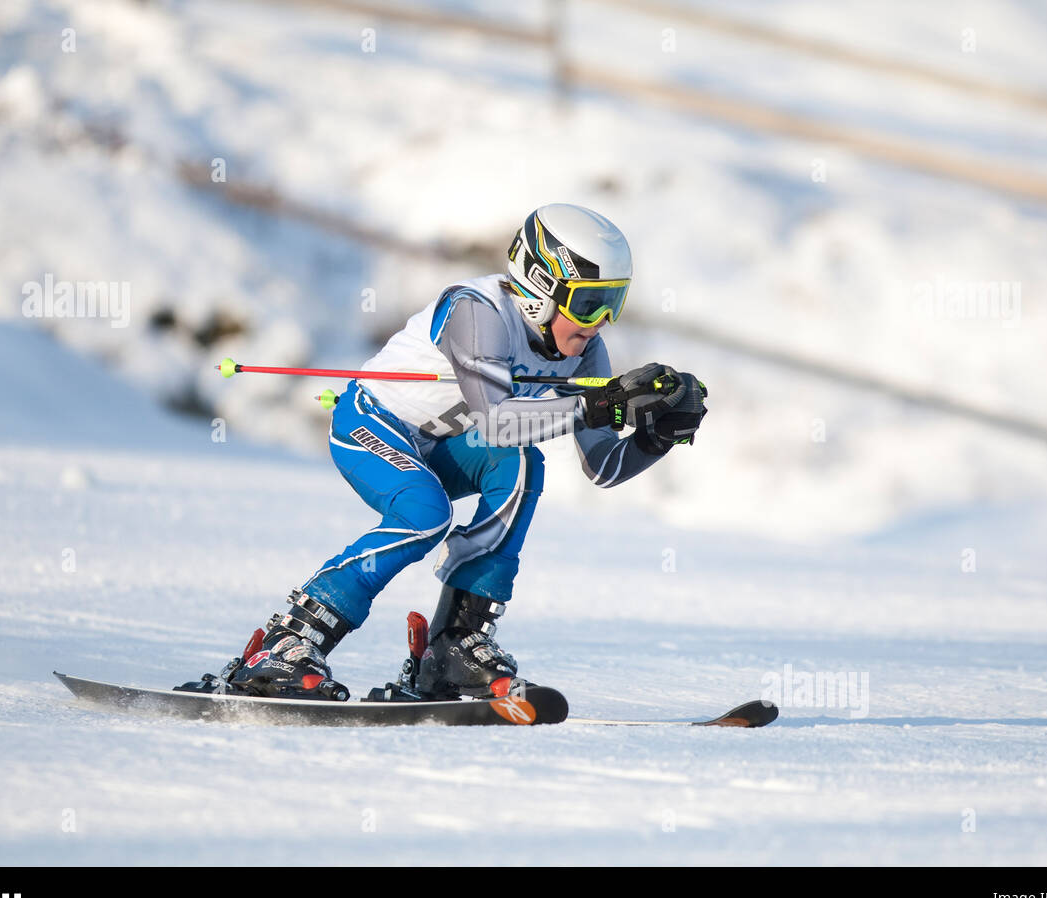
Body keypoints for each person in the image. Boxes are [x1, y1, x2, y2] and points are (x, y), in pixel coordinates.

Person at [227, 204, 708, 701]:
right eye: (588, 304)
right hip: (372, 425)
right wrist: (595, 403)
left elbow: (604, 468)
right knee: (424, 513)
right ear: (541, 288)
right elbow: (497, 421)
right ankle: (291, 639)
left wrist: (659, 435)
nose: (601, 322)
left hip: (441, 448)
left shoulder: (585, 350)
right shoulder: (478, 311)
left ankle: (454, 644)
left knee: (521, 465)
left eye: (615, 303)